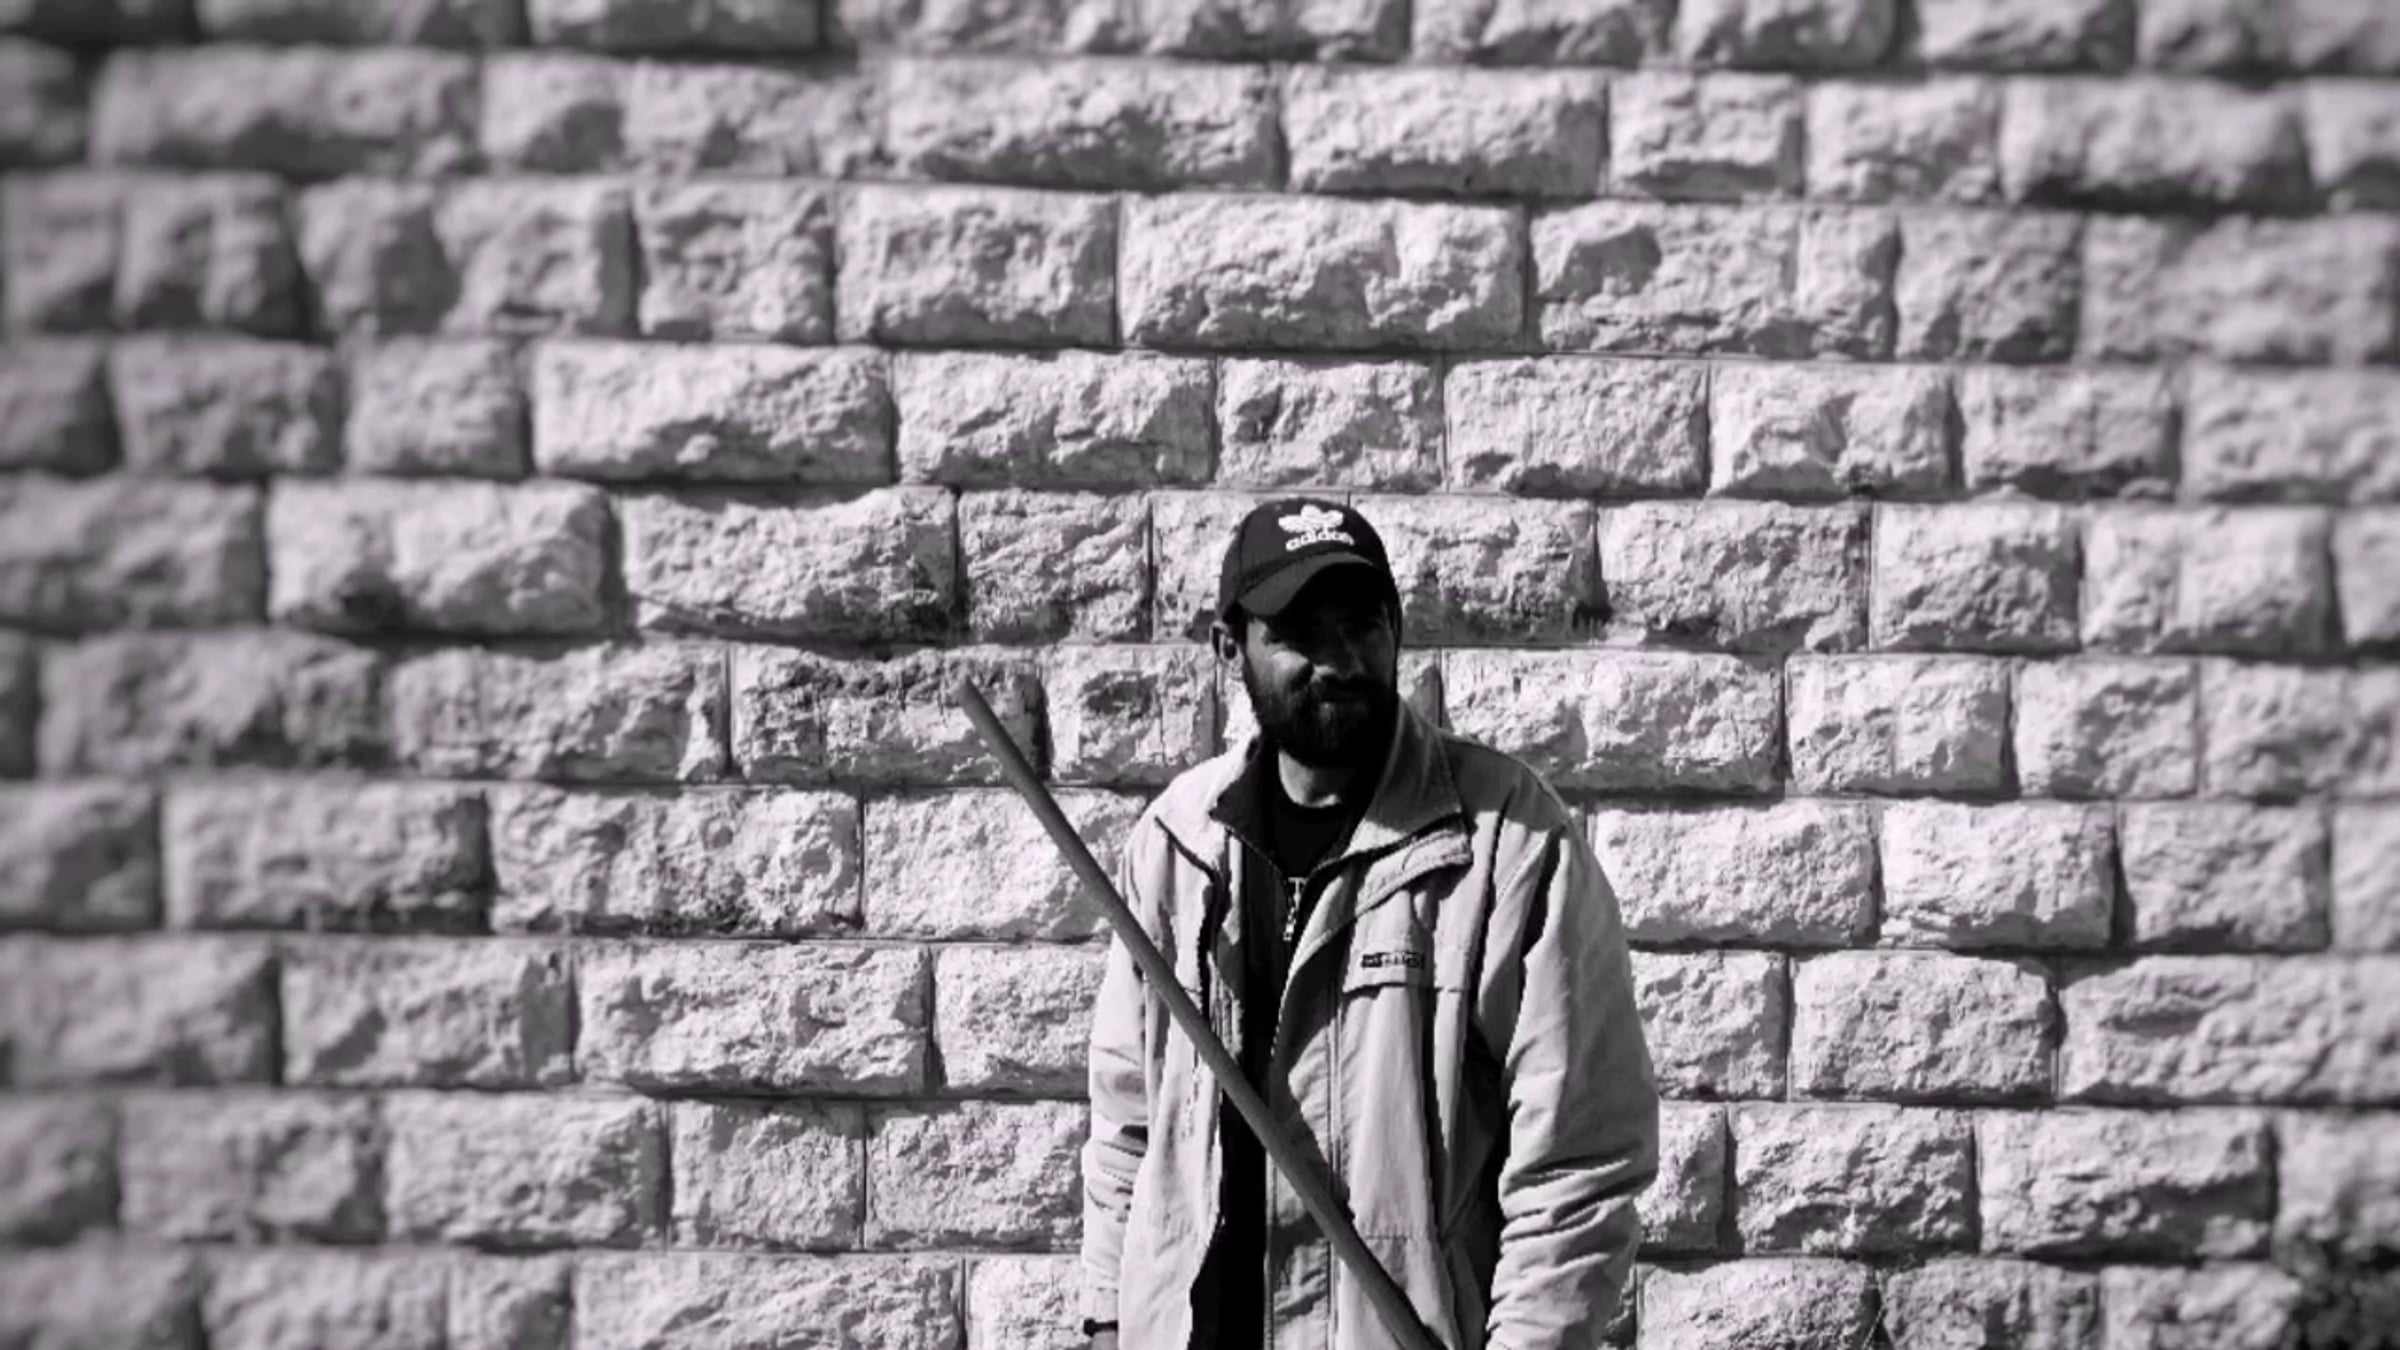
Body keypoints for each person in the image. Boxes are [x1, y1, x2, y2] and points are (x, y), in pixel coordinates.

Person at [1078, 498, 1660, 1350]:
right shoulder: (1176, 845)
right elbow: (1129, 1124)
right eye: (1299, 634)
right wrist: (1107, 1319)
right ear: (1227, 648)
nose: (1339, 661)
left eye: (1362, 625)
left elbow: (1580, 1158)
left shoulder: (1504, 842)